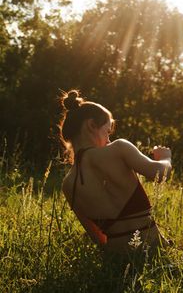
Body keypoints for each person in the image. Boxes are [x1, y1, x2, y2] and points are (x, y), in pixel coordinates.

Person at [59, 89, 172, 254]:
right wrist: (165, 158)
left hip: (117, 259)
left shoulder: (68, 184)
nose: (109, 139)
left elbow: (99, 239)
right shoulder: (119, 148)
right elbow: (160, 174)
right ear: (91, 126)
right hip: (155, 250)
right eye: (107, 131)